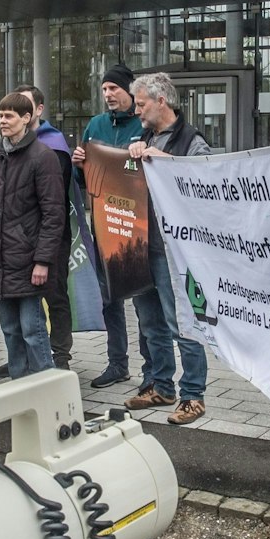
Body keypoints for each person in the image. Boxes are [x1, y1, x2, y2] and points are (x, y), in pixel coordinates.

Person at [125, 71, 211, 426]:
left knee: (183, 323)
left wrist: (162, 160)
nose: (136, 111)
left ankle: (193, 395)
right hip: (142, 245)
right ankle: (161, 386)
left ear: (161, 101)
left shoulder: (191, 140)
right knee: (150, 321)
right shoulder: (144, 137)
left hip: (174, 250)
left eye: (141, 104)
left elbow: (205, 183)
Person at [70, 63, 147, 389]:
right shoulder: (96, 125)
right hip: (103, 225)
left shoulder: (144, 124)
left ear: (129, 90)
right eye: (104, 89)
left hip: (139, 228)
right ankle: (118, 364)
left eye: (113, 88)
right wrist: (77, 165)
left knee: (144, 303)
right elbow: (83, 180)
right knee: (110, 300)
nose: (108, 94)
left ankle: (153, 373)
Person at [0, 92, 66, 378]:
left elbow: (54, 214)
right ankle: (19, 389)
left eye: (9, 116)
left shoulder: (43, 156)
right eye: (0, 115)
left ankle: (48, 390)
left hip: (29, 261)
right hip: (0, 260)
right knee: (10, 330)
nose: (2, 121)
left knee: (33, 331)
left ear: (27, 118)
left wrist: (42, 260)